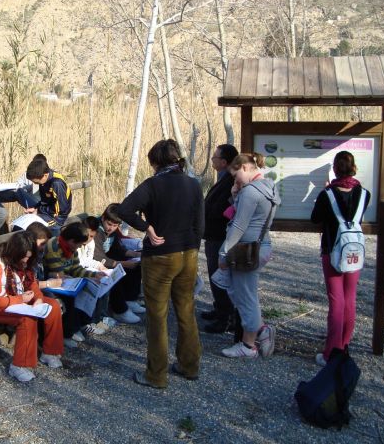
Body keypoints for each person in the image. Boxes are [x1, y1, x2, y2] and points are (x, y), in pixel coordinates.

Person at [117, 139, 204, 388]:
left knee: (157, 316)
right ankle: (190, 366)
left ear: (155, 162)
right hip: (188, 253)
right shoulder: (193, 184)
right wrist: (192, 248)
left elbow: (124, 209)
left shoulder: (153, 185)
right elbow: (200, 225)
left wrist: (146, 227)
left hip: (159, 254)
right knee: (186, 310)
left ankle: (156, 375)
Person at [311, 151, 370, 366]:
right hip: (354, 251)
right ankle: (344, 346)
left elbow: (315, 218)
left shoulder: (327, 194)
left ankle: (331, 352)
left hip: (332, 250)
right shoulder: (364, 193)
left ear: (335, 169)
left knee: (336, 301)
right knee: (350, 299)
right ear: (354, 167)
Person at [218, 153, 280, 359]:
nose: (235, 181)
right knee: (240, 290)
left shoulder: (251, 192)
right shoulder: (268, 187)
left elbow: (238, 225)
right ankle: (258, 330)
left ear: (244, 168)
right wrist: (236, 194)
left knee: (245, 297)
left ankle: (249, 344)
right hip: (260, 245)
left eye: (236, 177)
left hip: (245, 250)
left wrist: (223, 252)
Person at [0, 232, 64, 382]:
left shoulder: (23, 262)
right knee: (26, 318)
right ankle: (19, 365)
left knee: (52, 306)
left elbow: (32, 283)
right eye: (24, 257)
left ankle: (50, 352)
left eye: (28, 257)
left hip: (19, 301)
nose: (26, 260)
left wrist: (38, 298)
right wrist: (20, 299)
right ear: (14, 252)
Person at [43, 221, 104, 348]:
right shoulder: (53, 246)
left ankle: (78, 326)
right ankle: (66, 333)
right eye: (78, 244)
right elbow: (58, 273)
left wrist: (94, 275)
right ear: (71, 240)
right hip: (50, 282)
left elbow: (76, 269)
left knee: (91, 289)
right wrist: (70, 278)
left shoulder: (72, 249)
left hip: (65, 281)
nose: (78, 248)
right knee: (70, 299)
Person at [202, 144, 239, 334]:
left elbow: (222, 210)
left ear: (223, 162)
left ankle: (226, 317)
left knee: (219, 276)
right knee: (215, 275)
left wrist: (205, 211)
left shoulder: (231, 182)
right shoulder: (224, 179)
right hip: (214, 235)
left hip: (219, 236)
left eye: (215, 158)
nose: (212, 161)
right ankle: (220, 309)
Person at [93, 205, 144, 324]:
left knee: (136, 264)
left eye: (115, 226)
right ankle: (119, 310)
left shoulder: (112, 231)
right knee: (115, 272)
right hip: (93, 262)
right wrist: (121, 263)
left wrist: (135, 255)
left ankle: (130, 299)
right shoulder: (96, 230)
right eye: (109, 224)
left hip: (105, 258)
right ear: (103, 218)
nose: (111, 228)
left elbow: (116, 248)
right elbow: (98, 257)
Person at [25, 158, 72, 235]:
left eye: (36, 182)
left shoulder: (56, 184)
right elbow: (45, 201)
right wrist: (35, 208)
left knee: (32, 229)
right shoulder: (43, 180)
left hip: (58, 218)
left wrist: (39, 210)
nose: (34, 183)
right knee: (27, 223)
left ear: (45, 175)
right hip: (48, 212)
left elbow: (61, 209)